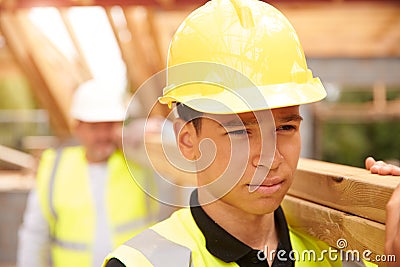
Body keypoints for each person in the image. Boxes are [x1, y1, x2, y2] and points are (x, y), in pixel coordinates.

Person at [103, 0, 400, 266]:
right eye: (240, 132)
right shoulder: (144, 263)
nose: (270, 159)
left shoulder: (340, 253)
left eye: (285, 128)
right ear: (187, 141)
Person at [17, 79, 159, 267]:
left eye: (109, 125)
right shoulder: (55, 166)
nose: (102, 135)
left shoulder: (138, 160)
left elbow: (185, 153)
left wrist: (157, 129)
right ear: (78, 127)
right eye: (94, 127)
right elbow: (35, 234)